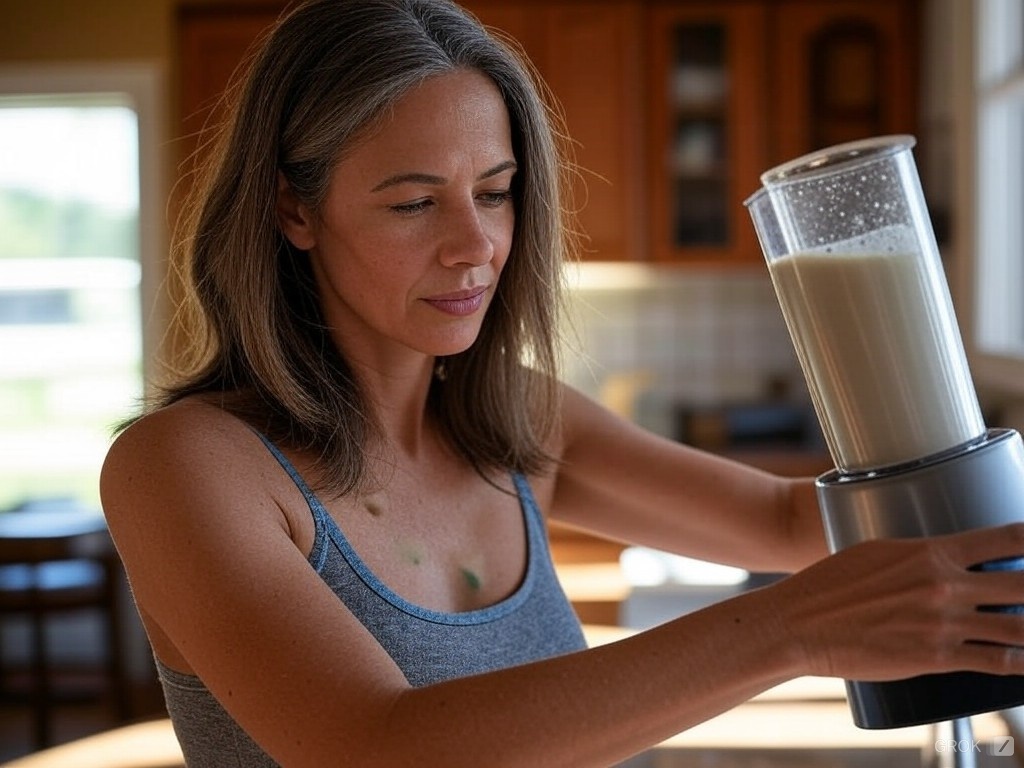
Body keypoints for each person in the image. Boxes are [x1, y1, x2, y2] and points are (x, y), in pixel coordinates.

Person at [100, 0, 1024, 765]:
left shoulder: (517, 419)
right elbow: (378, 745)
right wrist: (792, 631)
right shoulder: (187, 467)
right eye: (415, 202)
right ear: (292, 208)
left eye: (494, 192)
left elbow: (789, 524)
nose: (475, 245)